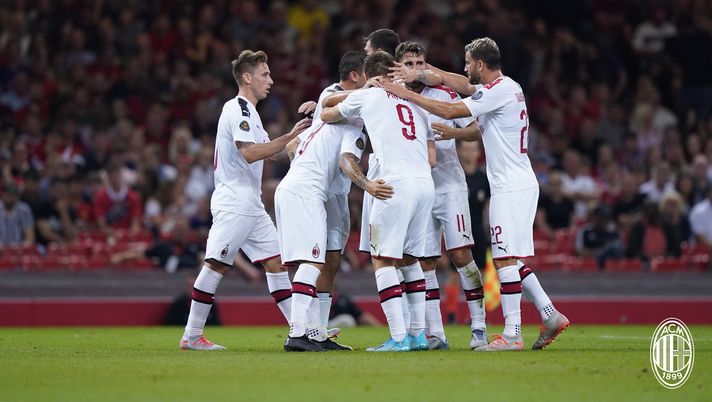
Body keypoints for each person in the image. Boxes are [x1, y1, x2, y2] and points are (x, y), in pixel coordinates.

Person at [383, 37, 569, 351]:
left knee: (504, 259)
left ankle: (512, 334)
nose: (465, 67)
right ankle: (549, 314)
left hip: (510, 186)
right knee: (508, 258)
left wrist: (407, 93)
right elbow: (466, 86)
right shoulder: (507, 86)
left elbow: (450, 108)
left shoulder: (495, 92)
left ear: (480, 64)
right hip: (515, 182)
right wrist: (427, 71)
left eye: (468, 62)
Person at [179, 50, 311, 351]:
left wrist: (300, 143)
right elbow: (250, 153)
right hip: (234, 200)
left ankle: (300, 330)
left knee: (276, 263)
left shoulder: (251, 113)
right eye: (265, 74)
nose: (271, 80)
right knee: (215, 264)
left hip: (251, 203)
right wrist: (288, 136)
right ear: (247, 78)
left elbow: (270, 152)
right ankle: (192, 335)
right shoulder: (237, 108)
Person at [321, 51, 435, 352]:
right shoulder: (415, 103)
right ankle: (418, 335)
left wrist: (360, 91)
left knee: (382, 259)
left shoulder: (368, 95)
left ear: (371, 76)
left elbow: (326, 113)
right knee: (410, 259)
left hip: (394, 185)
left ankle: (398, 338)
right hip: (425, 185)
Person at [392, 41, 487, 350]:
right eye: (409, 63)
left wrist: (454, 133)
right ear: (397, 67)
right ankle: (436, 334)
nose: (416, 69)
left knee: (461, 255)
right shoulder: (391, 99)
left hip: (449, 185)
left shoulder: (444, 94)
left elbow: (475, 129)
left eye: (420, 63)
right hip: (418, 190)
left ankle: (479, 326)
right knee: (426, 261)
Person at [277, 50, 372, 352]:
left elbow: (292, 146)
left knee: (320, 260)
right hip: (307, 192)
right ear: (356, 77)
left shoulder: (325, 118)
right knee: (313, 260)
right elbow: (346, 162)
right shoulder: (349, 120)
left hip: (300, 188)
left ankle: (315, 333)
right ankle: (297, 333)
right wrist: (368, 185)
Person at [0, 182, 35, 246]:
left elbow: (30, 236)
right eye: (8, 194)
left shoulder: (24, 209)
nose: (10, 197)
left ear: (17, 196)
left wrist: (23, 245)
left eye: (12, 195)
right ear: (3, 194)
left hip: (19, 248)